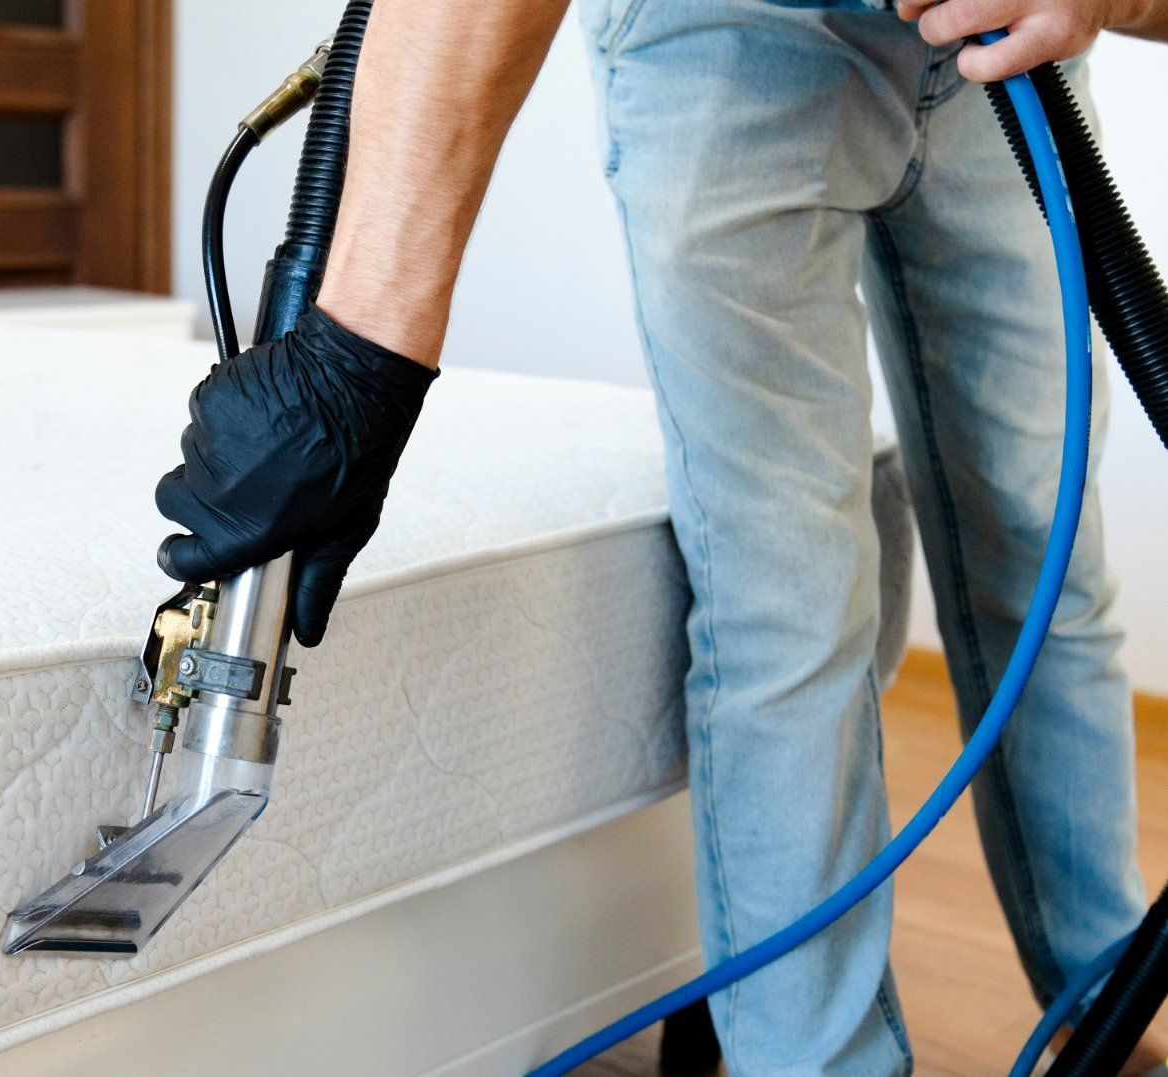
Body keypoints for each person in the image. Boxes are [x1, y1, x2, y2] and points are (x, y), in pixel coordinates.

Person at [153, 0, 1168, 1072]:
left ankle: (1110, 1007)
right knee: (793, 596)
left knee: (1045, 545)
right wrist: (363, 352)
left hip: (997, 57)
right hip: (733, 35)